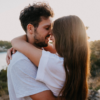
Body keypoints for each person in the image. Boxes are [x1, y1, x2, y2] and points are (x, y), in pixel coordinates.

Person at [8, 15, 90, 100]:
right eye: (47, 29)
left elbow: (16, 41)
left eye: (53, 33)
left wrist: (22, 43)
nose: (50, 36)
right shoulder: (74, 61)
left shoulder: (55, 63)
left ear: (63, 37)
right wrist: (24, 44)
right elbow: (46, 47)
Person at [7, 2, 60, 100]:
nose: (51, 32)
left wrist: (19, 42)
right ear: (30, 28)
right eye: (47, 28)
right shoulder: (21, 61)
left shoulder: (47, 52)